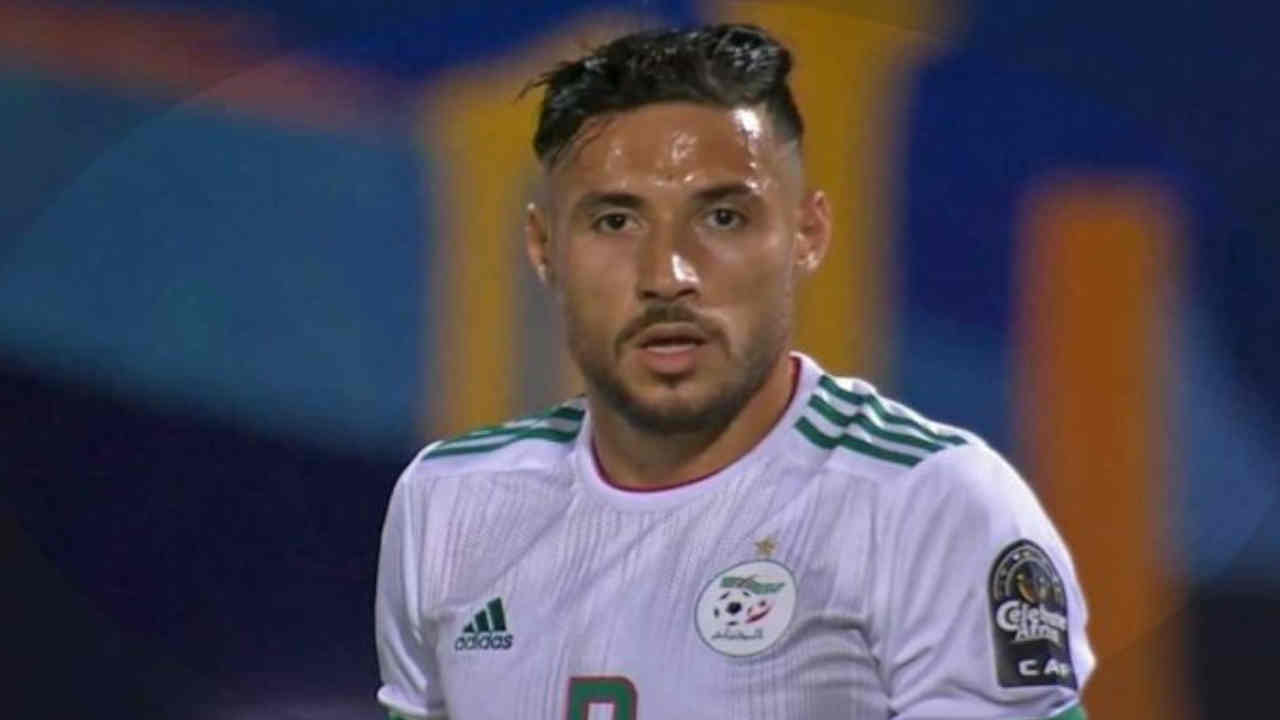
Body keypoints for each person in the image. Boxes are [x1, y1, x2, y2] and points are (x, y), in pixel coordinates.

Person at [375, 23, 1093, 720]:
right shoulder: (449, 502)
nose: (668, 275)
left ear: (807, 234)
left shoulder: (929, 503)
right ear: (542, 248)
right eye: (616, 222)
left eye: (722, 217)